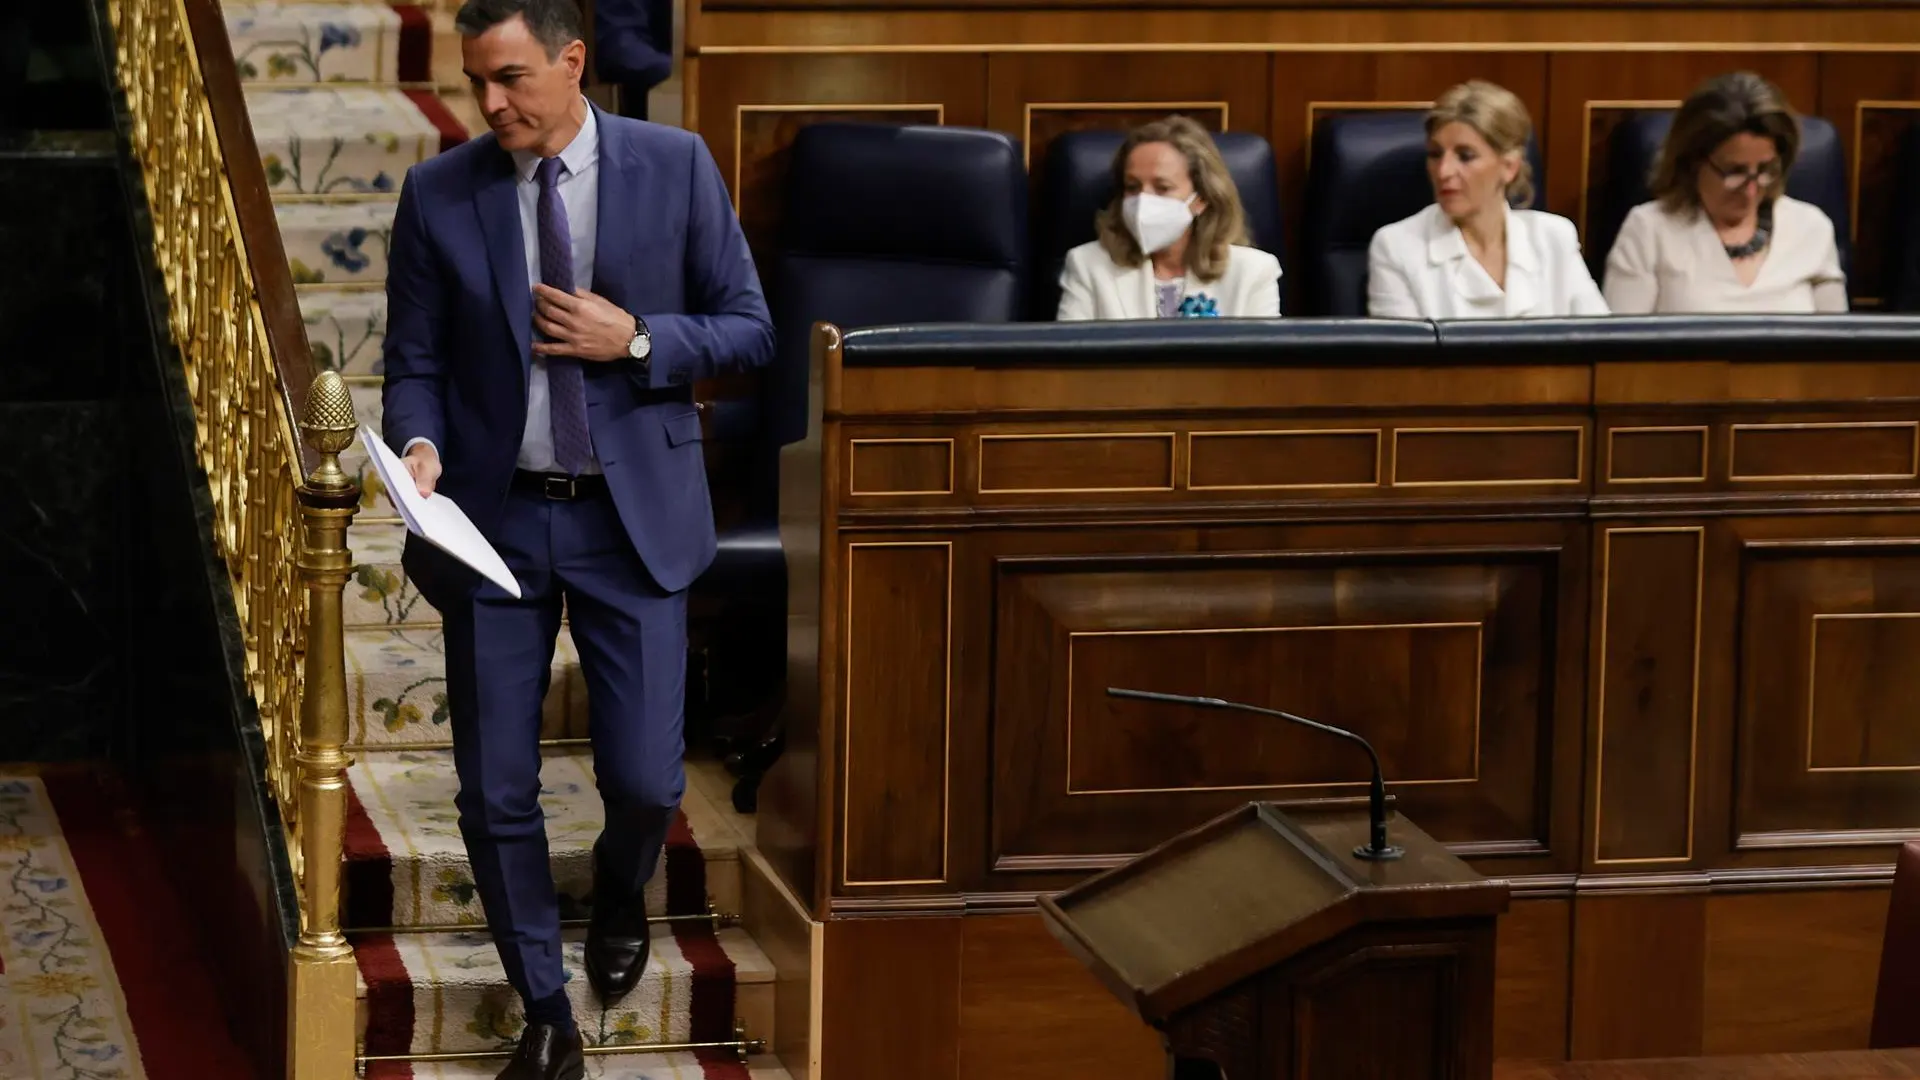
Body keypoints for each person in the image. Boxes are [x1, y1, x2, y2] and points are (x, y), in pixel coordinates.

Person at [380, 0, 774, 1076]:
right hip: (493, 524)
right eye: (474, 83)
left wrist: (638, 337)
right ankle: (545, 1007)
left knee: (647, 779)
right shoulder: (438, 192)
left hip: (629, 517)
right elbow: (411, 358)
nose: (490, 103)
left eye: (508, 78)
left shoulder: (676, 164)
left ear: (572, 61)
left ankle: (618, 887)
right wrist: (418, 444)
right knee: (494, 786)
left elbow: (751, 326)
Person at [1603, 71, 1847, 314]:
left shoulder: (1811, 228)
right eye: (1735, 172)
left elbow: (1838, 347)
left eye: (1765, 169)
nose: (1751, 190)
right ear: (1693, 161)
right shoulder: (1649, 231)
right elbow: (1618, 348)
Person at [1368, 80, 1607, 320]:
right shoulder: (1396, 247)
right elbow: (1403, 355)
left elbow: (1603, 339)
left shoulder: (1554, 237)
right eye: (1435, 154)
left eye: (1465, 156)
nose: (1443, 171)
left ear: (1509, 167)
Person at [1056, 115, 1281, 320]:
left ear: (1201, 198)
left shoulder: (1253, 272)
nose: (1143, 200)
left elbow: (1262, 363)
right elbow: (1068, 360)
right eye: (1132, 187)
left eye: (1162, 188)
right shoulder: (1087, 266)